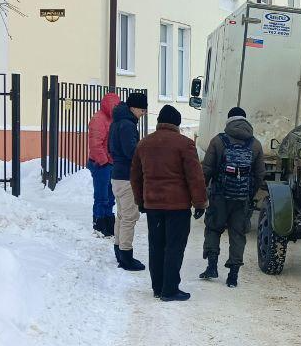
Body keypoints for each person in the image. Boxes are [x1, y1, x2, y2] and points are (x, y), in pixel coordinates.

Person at [130, 105, 207, 303]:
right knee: (174, 246)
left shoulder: (144, 144)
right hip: (178, 207)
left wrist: (140, 201)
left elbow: (136, 177)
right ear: (177, 123)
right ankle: (170, 289)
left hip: (153, 206)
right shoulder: (185, 144)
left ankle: (157, 287)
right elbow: (195, 177)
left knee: (156, 245)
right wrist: (199, 203)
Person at [200, 107, 266, 288]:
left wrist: (202, 193)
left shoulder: (218, 141)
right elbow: (260, 175)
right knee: (238, 234)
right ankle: (233, 276)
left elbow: (207, 170)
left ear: (228, 121)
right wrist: (249, 193)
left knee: (213, 228)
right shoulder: (255, 144)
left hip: (219, 195)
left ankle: (212, 267)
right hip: (242, 198)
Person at [109, 92, 148, 272]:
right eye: (142, 109)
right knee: (129, 217)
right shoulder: (127, 125)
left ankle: (119, 249)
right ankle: (126, 255)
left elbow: (112, 148)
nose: (144, 112)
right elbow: (131, 151)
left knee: (122, 215)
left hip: (117, 174)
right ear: (132, 107)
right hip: (126, 177)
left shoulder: (118, 121)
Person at [87, 93, 120, 237]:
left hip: (110, 162)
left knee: (110, 196)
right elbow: (95, 144)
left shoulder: (113, 119)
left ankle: (108, 222)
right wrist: (104, 161)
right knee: (101, 196)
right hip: (101, 164)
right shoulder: (98, 119)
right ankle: (99, 223)